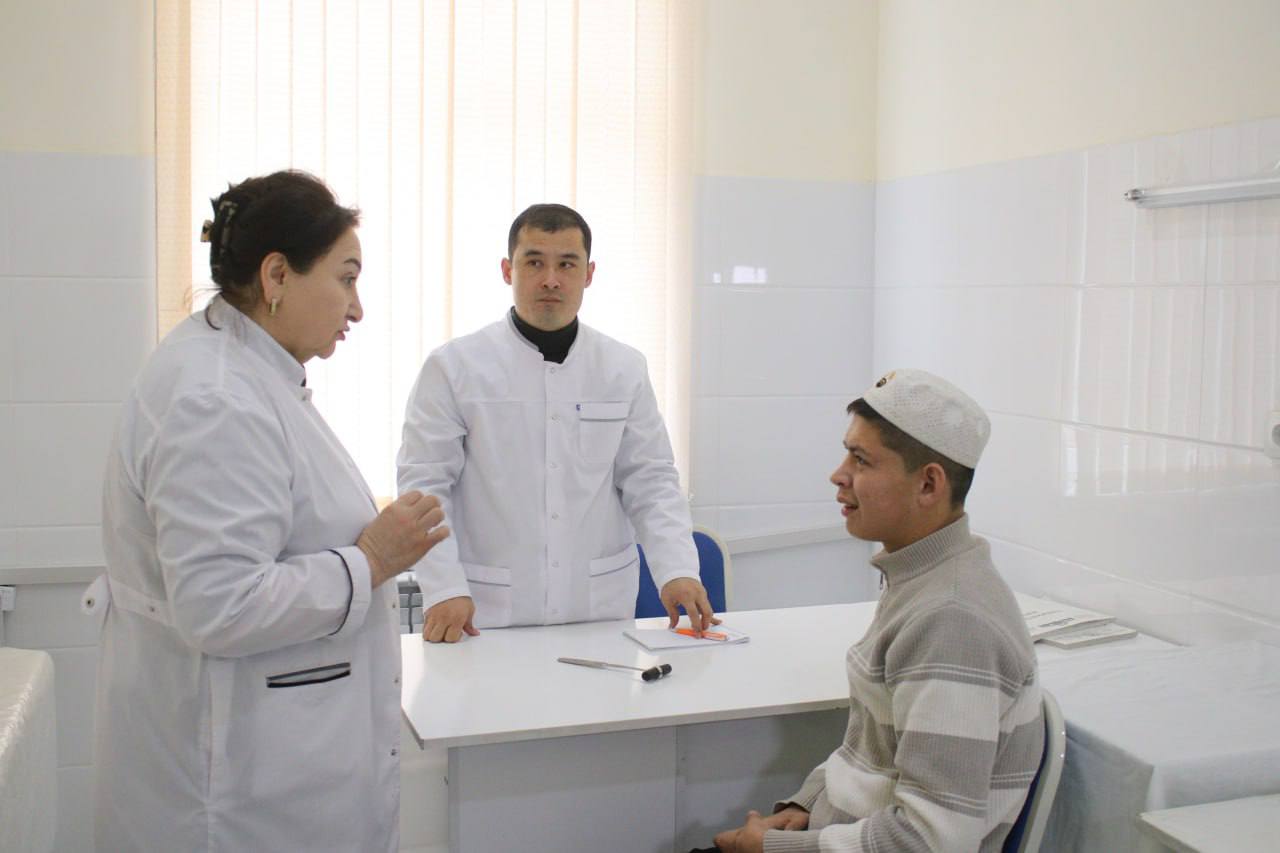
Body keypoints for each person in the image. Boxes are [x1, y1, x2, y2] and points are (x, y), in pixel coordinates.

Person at [91, 171, 449, 852]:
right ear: (277, 275)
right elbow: (220, 604)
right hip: (239, 792)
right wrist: (372, 560)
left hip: (265, 763)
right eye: (346, 279)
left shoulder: (246, 372)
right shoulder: (216, 398)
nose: (357, 308)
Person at [704, 369, 1043, 853]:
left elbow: (931, 842)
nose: (838, 474)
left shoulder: (951, 620)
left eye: (860, 460)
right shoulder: (921, 577)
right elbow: (869, 750)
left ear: (928, 484)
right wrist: (806, 805)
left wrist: (771, 849)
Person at [398, 203, 717, 642]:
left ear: (588, 274)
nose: (551, 279)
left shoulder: (623, 368)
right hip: (484, 612)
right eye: (534, 262)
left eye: (567, 264)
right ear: (508, 270)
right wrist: (444, 587)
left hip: (599, 611)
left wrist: (677, 569)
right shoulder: (454, 367)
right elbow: (425, 488)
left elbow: (652, 480)